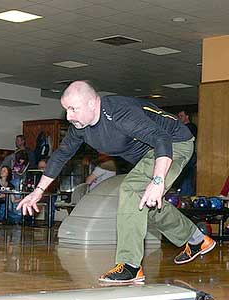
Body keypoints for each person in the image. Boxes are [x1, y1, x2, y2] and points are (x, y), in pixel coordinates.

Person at [17, 80, 215, 284]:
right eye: (66, 109)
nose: (69, 116)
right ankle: (196, 239)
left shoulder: (120, 113)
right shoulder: (80, 127)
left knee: (131, 189)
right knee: (143, 202)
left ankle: (130, 266)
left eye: (73, 109)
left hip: (174, 143)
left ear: (92, 104)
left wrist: (158, 180)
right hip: (148, 154)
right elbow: (61, 155)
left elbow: (161, 139)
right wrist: (38, 191)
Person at [176, 110, 197, 196]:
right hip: (185, 154)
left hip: (188, 155)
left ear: (187, 116)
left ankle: (186, 194)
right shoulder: (186, 127)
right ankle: (184, 193)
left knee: (186, 175)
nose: (179, 118)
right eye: (179, 116)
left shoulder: (190, 127)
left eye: (181, 116)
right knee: (184, 175)